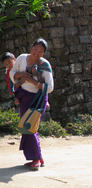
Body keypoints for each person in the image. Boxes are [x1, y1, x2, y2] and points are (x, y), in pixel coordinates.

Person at [9, 38, 54, 170]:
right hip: (24, 96)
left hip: (39, 98)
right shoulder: (22, 59)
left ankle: (35, 159)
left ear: (43, 53)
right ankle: (38, 157)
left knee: (30, 126)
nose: (37, 53)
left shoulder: (45, 65)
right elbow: (12, 73)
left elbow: (50, 87)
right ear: (31, 46)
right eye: (35, 49)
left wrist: (33, 82)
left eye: (40, 51)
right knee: (27, 126)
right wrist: (20, 74)